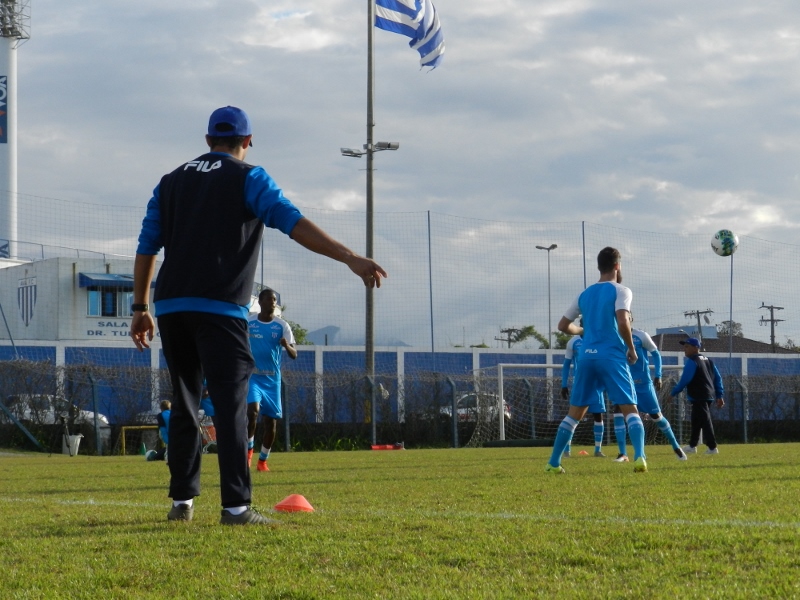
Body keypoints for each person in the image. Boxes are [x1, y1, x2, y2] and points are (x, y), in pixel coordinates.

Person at [131, 106, 387, 525]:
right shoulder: (249, 177)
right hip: (220, 308)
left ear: (208, 139)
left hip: (172, 306)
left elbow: (146, 247)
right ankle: (236, 507)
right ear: (247, 142)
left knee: (185, 401)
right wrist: (349, 257)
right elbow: (293, 222)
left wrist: (141, 308)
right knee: (232, 404)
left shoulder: (170, 181)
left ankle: (182, 503)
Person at [546, 246, 648, 474]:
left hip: (587, 358)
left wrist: (582, 331)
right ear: (617, 266)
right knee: (630, 408)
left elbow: (563, 326)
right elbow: (623, 322)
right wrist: (632, 349)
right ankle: (640, 457)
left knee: (575, 413)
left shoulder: (584, 294)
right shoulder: (622, 291)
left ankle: (553, 462)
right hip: (611, 356)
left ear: (598, 267)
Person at [615, 316, 687, 461]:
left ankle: (676, 447)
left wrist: (658, 375)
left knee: (657, 417)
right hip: (624, 383)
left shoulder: (641, 336)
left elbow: (656, 354)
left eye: (625, 316)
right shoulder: (614, 336)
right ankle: (623, 453)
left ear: (631, 319)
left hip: (643, 384)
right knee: (618, 412)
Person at [246, 287, 297, 472]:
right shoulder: (249, 322)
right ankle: (249, 452)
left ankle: (262, 461)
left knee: (271, 423)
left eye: (274, 299)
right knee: (252, 411)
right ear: (260, 302)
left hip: (272, 380)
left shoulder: (282, 326)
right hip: (253, 377)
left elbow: (294, 354)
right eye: (269, 299)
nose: (273, 302)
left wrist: (286, 346)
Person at [671, 337, 725, 455]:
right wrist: (719, 395)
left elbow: (685, 380)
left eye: (687, 347)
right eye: (684, 347)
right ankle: (692, 445)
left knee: (705, 420)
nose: (684, 350)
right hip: (708, 395)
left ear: (696, 348)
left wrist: (673, 393)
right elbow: (718, 378)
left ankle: (712, 447)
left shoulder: (693, 361)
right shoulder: (709, 361)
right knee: (696, 420)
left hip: (699, 395)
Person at [560, 334, 607, 458]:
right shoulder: (573, 342)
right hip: (580, 384)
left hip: (596, 385)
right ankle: (566, 450)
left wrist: (605, 383)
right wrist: (564, 384)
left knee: (598, 415)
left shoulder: (598, 339)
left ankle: (598, 450)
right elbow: (566, 365)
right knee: (573, 416)